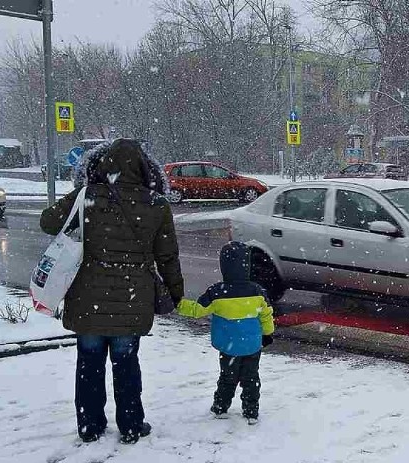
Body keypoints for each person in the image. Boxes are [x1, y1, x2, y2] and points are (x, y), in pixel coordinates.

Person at [40, 138, 184, 444]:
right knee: (126, 364)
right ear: (144, 168)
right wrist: (176, 292)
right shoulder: (157, 204)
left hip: (87, 299)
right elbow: (167, 256)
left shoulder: (87, 196)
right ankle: (131, 425)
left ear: (104, 164)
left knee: (89, 364)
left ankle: (90, 425)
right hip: (132, 301)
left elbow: (47, 222)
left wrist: (81, 203)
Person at [177, 242, 274, 424]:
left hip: (229, 346)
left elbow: (197, 310)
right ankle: (251, 411)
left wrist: (177, 304)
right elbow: (266, 314)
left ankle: (221, 407)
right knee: (251, 378)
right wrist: (267, 333)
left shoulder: (217, 292)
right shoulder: (257, 291)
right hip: (252, 345)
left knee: (227, 378)